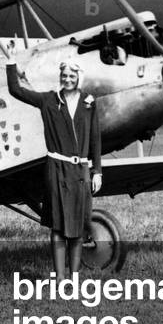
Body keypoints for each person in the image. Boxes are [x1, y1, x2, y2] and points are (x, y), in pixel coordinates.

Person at [6, 55, 102, 279]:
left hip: (81, 172)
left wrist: (97, 171)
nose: (68, 79)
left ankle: (74, 278)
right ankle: (60, 279)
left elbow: (96, 139)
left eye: (72, 76)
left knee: (78, 227)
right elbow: (15, 90)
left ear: (79, 77)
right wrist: (11, 62)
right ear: (60, 77)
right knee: (58, 227)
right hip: (56, 169)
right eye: (64, 76)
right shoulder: (48, 100)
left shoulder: (89, 102)